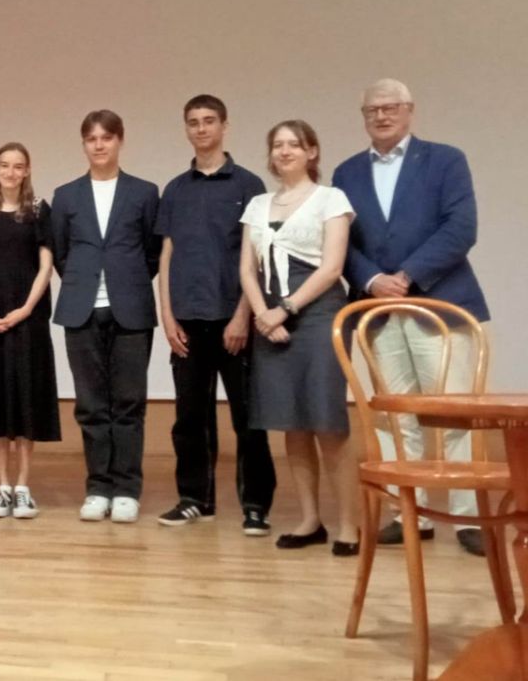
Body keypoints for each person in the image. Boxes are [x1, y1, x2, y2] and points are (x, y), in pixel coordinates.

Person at [332, 78, 489, 557]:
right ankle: (410, 514)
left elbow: (461, 227)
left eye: (391, 107)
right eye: (372, 110)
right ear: (363, 116)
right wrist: (373, 280)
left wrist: (408, 275)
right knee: (393, 417)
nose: (381, 116)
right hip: (378, 312)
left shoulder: (445, 160)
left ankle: (468, 517)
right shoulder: (346, 172)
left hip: (440, 304)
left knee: (456, 413)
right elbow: (341, 242)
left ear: (409, 110)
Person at [155, 95, 276, 535]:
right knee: (190, 419)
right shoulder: (175, 189)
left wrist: (243, 316)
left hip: (233, 321)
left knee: (248, 419)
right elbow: (166, 255)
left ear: (225, 126)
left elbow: (257, 256)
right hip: (186, 321)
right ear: (186, 129)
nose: (202, 128)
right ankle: (195, 499)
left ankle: (256, 506)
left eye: (209, 121)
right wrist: (167, 316)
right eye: (194, 122)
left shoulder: (248, 185)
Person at [239, 120, 360, 556]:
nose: (285, 151)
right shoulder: (257, 205)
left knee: (328, 422)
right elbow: (246, 270)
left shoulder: (331, 199)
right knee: (291, 423)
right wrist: (263, 315)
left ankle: (349, 525)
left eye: (294, 144)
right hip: (270, 318)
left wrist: (285, 309)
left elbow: (332, 268)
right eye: (278, 145)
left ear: (312, 151)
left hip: (318, 315)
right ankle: (310, 520)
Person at [52, 110, 160, 524]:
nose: (99, 145)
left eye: (106, 138)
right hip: (81, 309)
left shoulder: (144, 192)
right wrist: (84, 282)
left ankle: (127, 490)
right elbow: (61, 253)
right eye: (91, 139)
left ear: (119, 141)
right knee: (91, 405)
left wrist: (124, 281)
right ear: (84, 144)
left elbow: (152, 252)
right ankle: (98, 488)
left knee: (129, 403)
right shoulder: (66, 195)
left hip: (130, 309)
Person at [0, 143, 60, 520]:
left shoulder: (39, 210)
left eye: (18, 166)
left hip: (27, 317)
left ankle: (23, 487)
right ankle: (2, 487)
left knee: (25, 397)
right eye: (4, 165)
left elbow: (46, 266)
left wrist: (26, 309)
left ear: (27, 171)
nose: (10, 172)